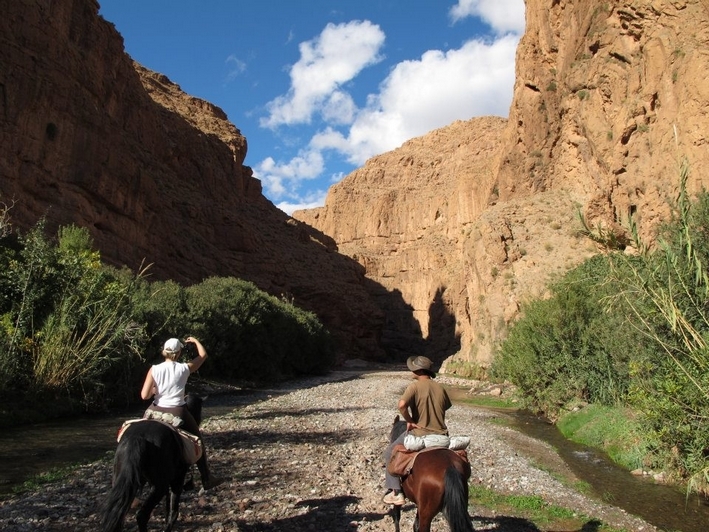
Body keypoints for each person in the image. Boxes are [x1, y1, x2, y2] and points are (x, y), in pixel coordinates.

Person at [141, 336, 222, 490]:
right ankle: (206, 478)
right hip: (177, 411)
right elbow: (203, 355)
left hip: (155, 409)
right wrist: (196, 341)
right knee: (198, 439)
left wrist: (156, 390)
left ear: (164, 352)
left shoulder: (154, 369)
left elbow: (144, 396)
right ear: (178, 353)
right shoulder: (184, 368)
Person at [383, 355, 452, 505]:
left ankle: (396, 492)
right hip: (442, 435)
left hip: (420, 434)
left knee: (389, 452)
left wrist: (410, 421)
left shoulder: (414, 387)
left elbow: (401, 405)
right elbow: (446, 406)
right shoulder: (440, 388)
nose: (411, 370)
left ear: (419, 371)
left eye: (413, 368)